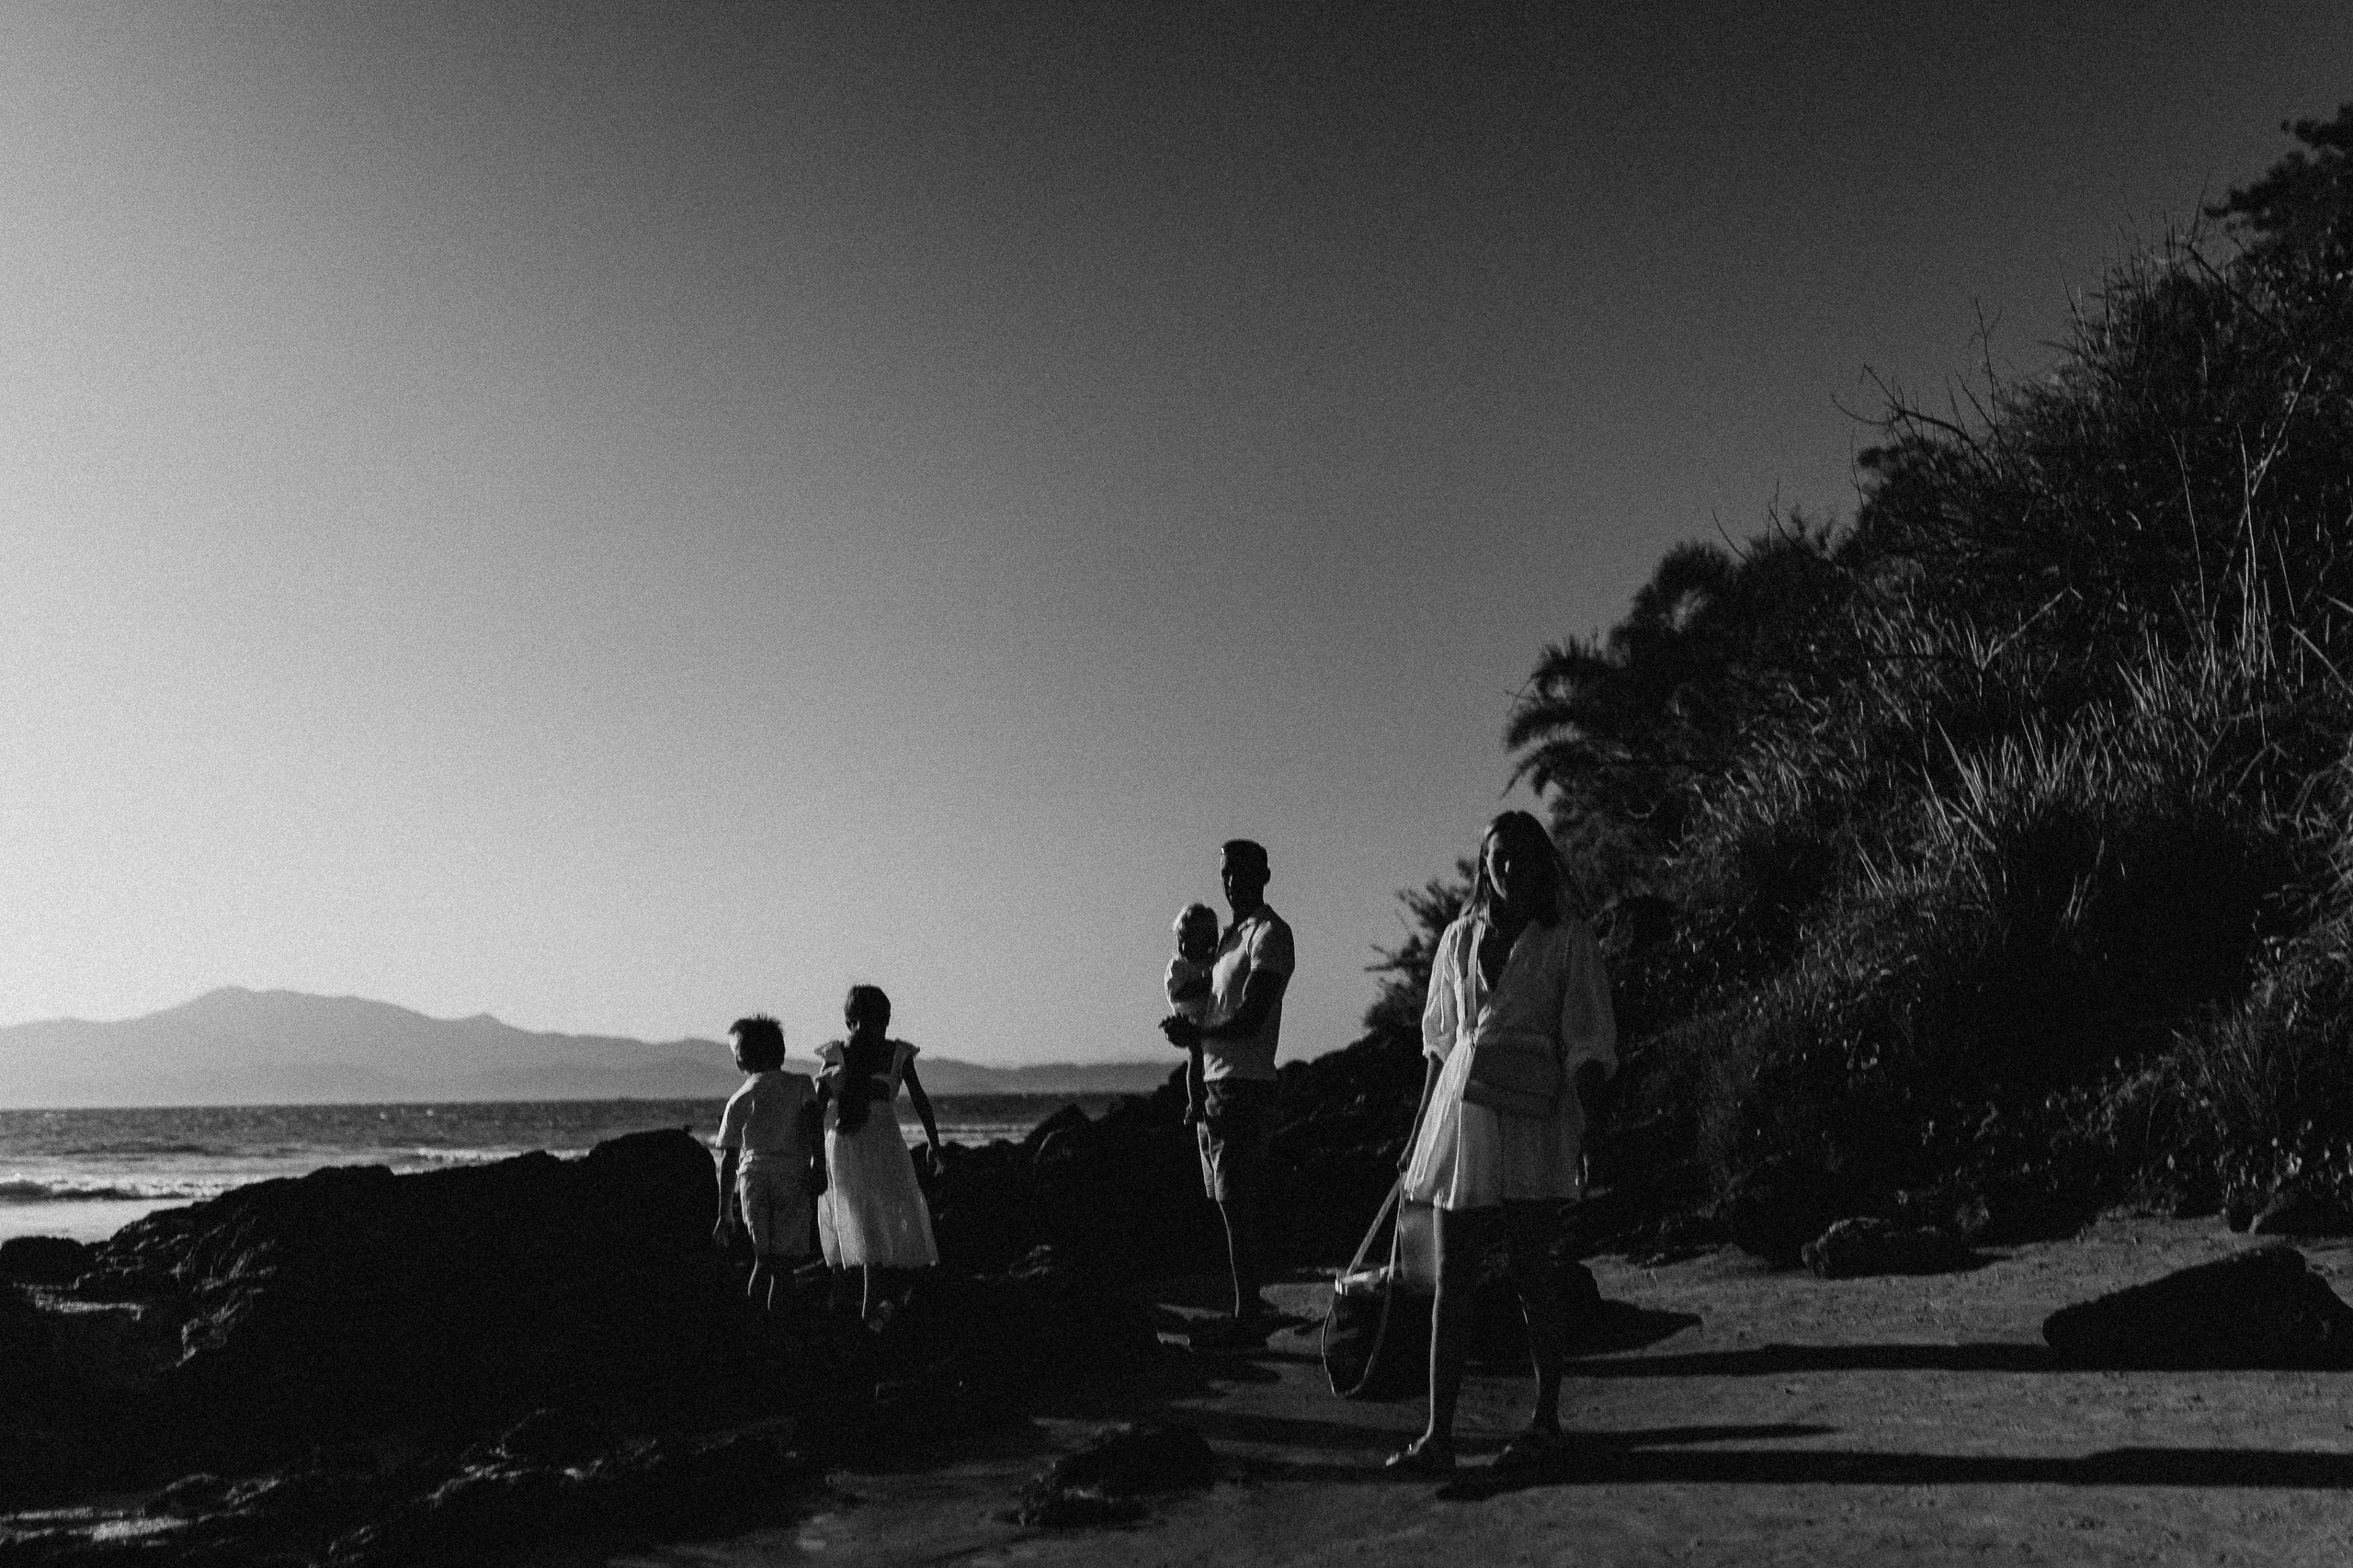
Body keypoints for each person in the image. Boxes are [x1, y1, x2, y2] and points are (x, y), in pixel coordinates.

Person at [1385, 810, 1616, 1475]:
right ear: (1484, 867)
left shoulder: (1567, 939)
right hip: (1463, 1116)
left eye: (1522, 856)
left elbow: (1587, 1041)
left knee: (1532, 1273)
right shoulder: (1458, 939)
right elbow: (1437, 1043)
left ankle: (1546, 1422)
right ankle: (1439, 1436)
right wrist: (1415, 1134)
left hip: (1534, 1116)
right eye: (1498, 857)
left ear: (1543, 863)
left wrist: (1594, 1127)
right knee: (1453, 1278)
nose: (1510, 867)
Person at [1160, 838, 1294, 1347]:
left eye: (1240, 872)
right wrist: (1192, 1036)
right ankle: (1247, 1309)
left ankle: (1248, 1315)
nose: (1230, 881)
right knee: (1226, 1203)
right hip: (1216, 1083)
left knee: (1239, 1202)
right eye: (1224, 873)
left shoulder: (1270, 935)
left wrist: (1197, 1036)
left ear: (1263, 873)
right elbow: (1210, 1006)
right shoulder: (1227, 939)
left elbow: (1253, 1015)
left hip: (1246, 1083)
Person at [814, 983, 943, 1329]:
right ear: (851, 1021)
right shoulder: (836, 1055)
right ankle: (868, 1311)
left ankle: (869, 1308)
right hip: (849, 1144)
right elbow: (818, 1104)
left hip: (881, 1142)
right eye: (875, 1020)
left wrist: (934, 1142)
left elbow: (920, 1098)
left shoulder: (898, 1054)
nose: (880, 1028)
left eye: (884, 1020)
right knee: (863, 1221)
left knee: (882, 1218)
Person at [711, 1014, 824, 1312]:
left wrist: (724, 1213)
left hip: (753, 1179)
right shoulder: (801, 1084)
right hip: (791, 1177)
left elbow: (729, 1158)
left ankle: (755, 1324)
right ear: (782, 1052)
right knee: (784, 1267)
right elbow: (814, 1127)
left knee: (763, 1260)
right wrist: (820, 1165)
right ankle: (778, 1330)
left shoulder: (738, 1098)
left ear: (740, 1060)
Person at [1163, 902, 1222, 1126]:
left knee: (1208, 1060)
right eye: (1181, 940)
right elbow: (1178, 994)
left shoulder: (1211, 962)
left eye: (1191, 939)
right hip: (1192, 1019)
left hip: (1212, 1017)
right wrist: (1204, 984)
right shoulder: (1179, 967)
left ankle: (1205, 1100)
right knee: (1196, 1058)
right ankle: (1195, 1104)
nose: (1184, 946)